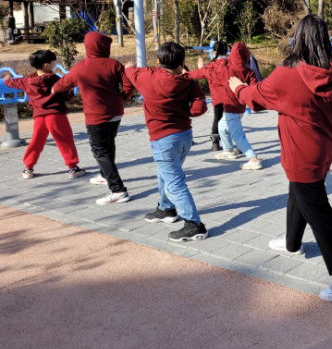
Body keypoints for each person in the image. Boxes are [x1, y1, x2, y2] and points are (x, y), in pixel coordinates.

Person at [229, 15, 332, 302]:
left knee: (319, 210)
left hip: (299, 151)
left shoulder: (287, 74)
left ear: (299, 38)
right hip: (323, 148)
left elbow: (256, 97)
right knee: (300, 193)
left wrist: (237, 88)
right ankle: (292, 242)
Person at [125, 42, 209, 242]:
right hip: (184, 136)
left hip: (163, 139)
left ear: (158, 61)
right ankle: (166, 209)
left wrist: (129, 67)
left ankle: (194, 224)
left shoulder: (146, 76)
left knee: (174, 182)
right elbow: (200, 108)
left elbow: (130, 72)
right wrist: (187, 111)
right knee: (166, 173)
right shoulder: (188, 80)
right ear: (183, 61)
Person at [51, 32, 135, 205]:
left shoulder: (81, 68)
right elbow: (128, 85)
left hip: (96, 115)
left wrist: (54, 90)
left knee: (100, 151)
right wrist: (122, 98)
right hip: (116, 113)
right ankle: (105, 175)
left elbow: (63, 83)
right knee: (108, 143)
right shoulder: (114, 64)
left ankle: (118, 190)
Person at [4, 50, 85, 180]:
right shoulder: (55, 79)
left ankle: (28, 168)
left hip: (39, 116)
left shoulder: (27, 80)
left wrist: (7, 79)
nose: (54, 64)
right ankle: (73, 168)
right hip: (56, 115)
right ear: (46, 65)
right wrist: (72, 91)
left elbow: (13, 82)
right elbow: (68, 95)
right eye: (53, 63)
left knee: (36, 142)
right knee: (65, 140)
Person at [217, 42, 262, 170]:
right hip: (239, 108)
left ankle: (253, 159)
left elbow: (213, 69)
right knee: (222, 126)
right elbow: (254, 88)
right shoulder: (249, 72)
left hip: (231, 109)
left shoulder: (225, 67)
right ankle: (229, 151)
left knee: (238, 136)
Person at [190, 41, 229, 152]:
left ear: (214, 52)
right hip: (231, 98)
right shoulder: (230, 64)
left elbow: (197, 74)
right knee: (231, 120)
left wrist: (186, 72)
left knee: (217, 119)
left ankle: (215, 143)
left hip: (218, 99)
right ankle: (236, 143)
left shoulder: (210, 67)